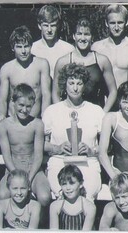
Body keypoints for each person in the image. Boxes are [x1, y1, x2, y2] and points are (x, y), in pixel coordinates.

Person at [43, 63, 105, 201]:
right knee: (63, 193)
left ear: (85, 86)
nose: (75, 88)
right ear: (65, 84)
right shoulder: (52, 111)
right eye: (71, 83)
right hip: (60, 161)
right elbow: (41, 144)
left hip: (88, 162)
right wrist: (57, 148)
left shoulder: (96, 111)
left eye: (79, 83)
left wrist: (91, 150)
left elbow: (107, 146)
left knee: (87, 195)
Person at [0, 84, 51, 223]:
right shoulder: (3, 125)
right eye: (21, 105)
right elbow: (6, 156)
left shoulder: (37, 124)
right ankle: (8, 227)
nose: (24, 109)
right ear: (12, 102)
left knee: (44, 197)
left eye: (29, 106)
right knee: (3, 195)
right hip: (12, 169)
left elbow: (38, 157)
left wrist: (28, 179)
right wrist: (15, 176)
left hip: (33, 169)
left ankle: (41, 228)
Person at [52, 17, 117, 112]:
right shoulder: (63, 62)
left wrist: (103, 113)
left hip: (94, 115)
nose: (82, 38)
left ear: (92, 37)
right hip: (70, 113)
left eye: (86, 34)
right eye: (79, 34)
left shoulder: (102, 60)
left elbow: (113, 91)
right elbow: (55, 93)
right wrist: (62, 113)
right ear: (74, 36)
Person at [0, 25, 51, 122]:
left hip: (35, 119)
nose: (23, 51)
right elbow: (2, 99)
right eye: (19, 47)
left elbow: (46, 94)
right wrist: (1, 115)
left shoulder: (42, 64)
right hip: (13, 119)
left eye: (26, 46)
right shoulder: (6, 68)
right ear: (13, 48)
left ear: (31, 46)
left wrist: (45, 116)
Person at [92, 4, 128, 91]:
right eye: (112, 23)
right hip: (103, 100)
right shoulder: (97, 47)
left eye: (120, 22)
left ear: (127, 22)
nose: (116, 27)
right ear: (106, 23)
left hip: (127, 100)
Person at [31, 4, 74, 79]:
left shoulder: (68, 49)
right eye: (46, 25)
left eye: (53, 25)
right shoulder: (32, 49)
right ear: (39, 26)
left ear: (58, 26)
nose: (49, 30)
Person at [50, 164, 96, 230]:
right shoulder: (55, 206)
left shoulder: (89, 208)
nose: (68, 188)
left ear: (81, 184)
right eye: (64, 184)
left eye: (72, 183)